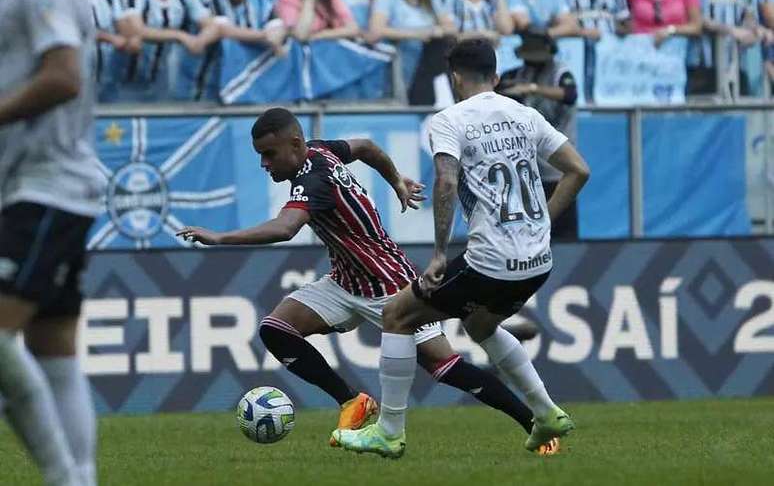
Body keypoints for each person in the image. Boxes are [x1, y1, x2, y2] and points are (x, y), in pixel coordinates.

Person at [177, 108, 560, 455]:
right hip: (345, 282)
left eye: (269, 153)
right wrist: (396, 180)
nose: (264, 163)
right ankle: (352, 401)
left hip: (389, 282)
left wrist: (221, 237)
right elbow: (365, 146)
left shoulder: (312, 181)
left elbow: (286, 227)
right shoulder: (320, 151)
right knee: (276, 329)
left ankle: (536, 425)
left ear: (295, 144)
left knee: (447, 367)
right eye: (260, 154)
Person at [332, 39, 590, 458]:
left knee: (396, 315)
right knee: (481, 325)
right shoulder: (525, 114)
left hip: (491, 261)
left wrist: (438, 255)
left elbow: (447, 182)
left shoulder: (449, 120)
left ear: (455, 78)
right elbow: (578, 170)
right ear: (497, 75)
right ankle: (546, 412)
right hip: (537, 260)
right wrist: (542, 222)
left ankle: (389, 432)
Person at [0, 0, 105, 484]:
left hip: (45, 186)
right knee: (53, 348)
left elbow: (63, 77)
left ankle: (64, 476)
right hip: (45, 185)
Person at [496, 32, 579, 240]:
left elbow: (569, 95)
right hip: (524, 167)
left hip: (556, 167)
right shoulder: (516, 74)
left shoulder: (561, 72)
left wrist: (533, 89)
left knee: (562, 231)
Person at [367, 0, 457, 93]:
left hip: (428, 65)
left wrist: (436, 31)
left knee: (445, 44)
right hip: (398, 64)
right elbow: (375, 31)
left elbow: (451, 29)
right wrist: (418, 34)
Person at [625, 0, 702, 45]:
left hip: (675, 51)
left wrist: (670, 30)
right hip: (638, 49)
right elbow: (621, 18)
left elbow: (696, 26)